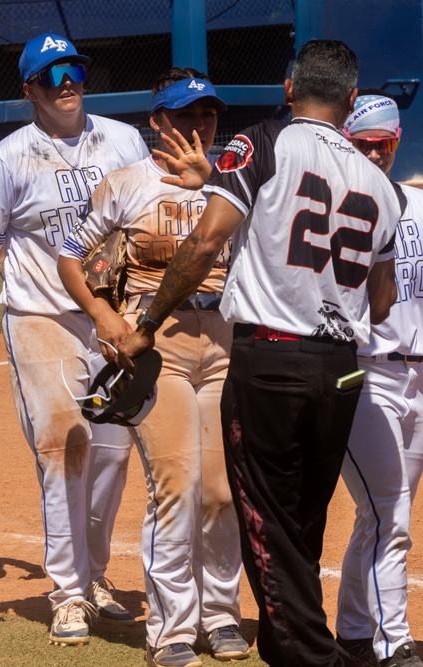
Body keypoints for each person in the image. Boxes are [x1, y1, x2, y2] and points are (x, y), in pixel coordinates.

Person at [117, 40, 400, 667]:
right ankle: (283, 639)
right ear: (351, 100)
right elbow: (381, 304)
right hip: (342, 367)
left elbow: (201, 244)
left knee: (267, 517)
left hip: (270, 355)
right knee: (302, 516)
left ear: (288, 87)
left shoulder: (263, 142)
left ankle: (308, 654)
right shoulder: (383, 186)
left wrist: (148, 323)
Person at [0, 33, 149, 645]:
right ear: (30, 89)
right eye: (52, 74)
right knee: (63, 447)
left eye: (74, 71)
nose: (66, 82)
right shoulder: (9, 158)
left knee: (113, 455)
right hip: (41, 316)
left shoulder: (124, 140)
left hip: (115, 319)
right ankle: (66, 591)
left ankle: (95, 576)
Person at [57, 69, 249, 665]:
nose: (199, 126)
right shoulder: (127, 183)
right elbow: (71, 256)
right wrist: (101, 316)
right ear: (157, 121)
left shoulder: (235, 182)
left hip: (226, 339)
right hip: (156, 343)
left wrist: (216, 180)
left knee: (221, 491)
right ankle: (169, 630)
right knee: (177, 485)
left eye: (208, 115)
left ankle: (221, 615)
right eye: (185, 115)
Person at [334, 93, 423, 667]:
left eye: (385, 145)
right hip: (365, 376)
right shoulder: (335, 208)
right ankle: (396, 645)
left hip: (418, 379)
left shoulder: (417, 205)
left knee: (379, 514)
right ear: (346, 144)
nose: (376, 155)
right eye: (364, 146)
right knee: (390, 514)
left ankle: (353, 634)